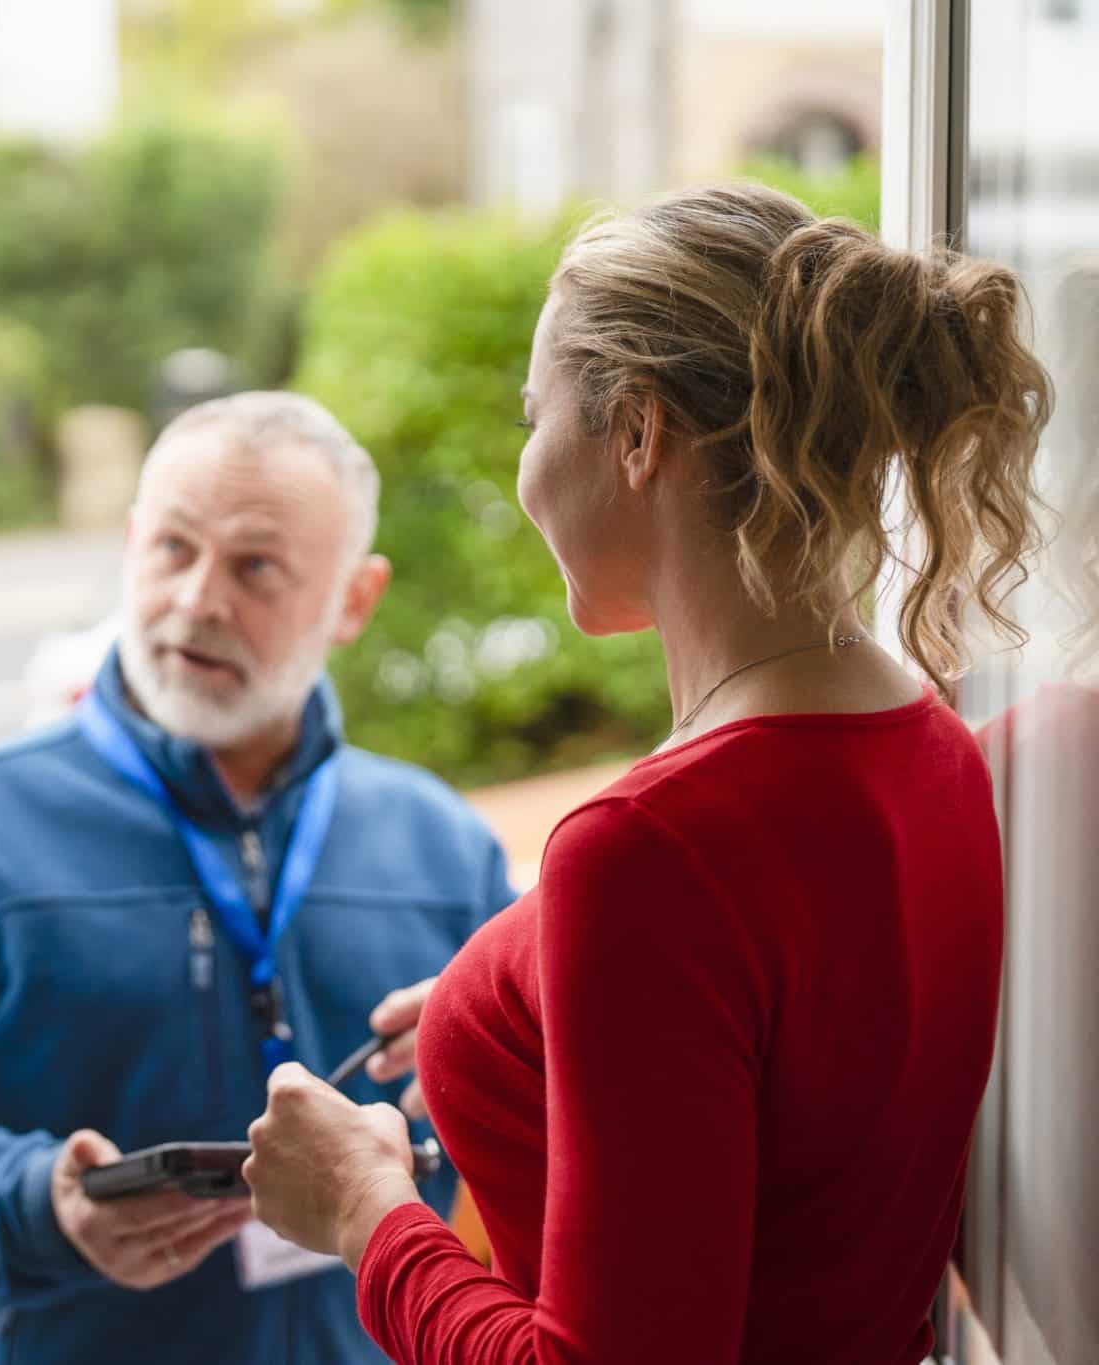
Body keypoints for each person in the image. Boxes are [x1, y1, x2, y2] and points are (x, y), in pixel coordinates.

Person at [240, 182, 1053, 1364]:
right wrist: (532, 1000)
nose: (522, 475)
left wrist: (363, 1214)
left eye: (534, 419)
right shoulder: (928, 752)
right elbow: (794, 1074)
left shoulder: (649, 853)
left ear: (636, 433)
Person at [0, 392, 516, 1364]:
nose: (197, 598)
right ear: (127, 547)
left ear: (353, 602)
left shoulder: (440, 848)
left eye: (255, 567)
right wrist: (35, 1207)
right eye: (170, 549)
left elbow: (533, 1140)